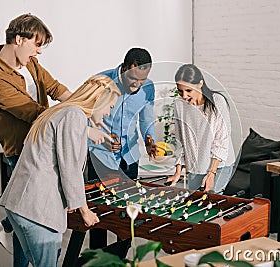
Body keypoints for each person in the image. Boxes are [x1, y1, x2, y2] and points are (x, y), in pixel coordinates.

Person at [0, 14, 106, 266]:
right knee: (36, 211)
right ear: (18, 39)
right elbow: (33, 113)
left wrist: (84, 108)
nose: (38, 52)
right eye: (36, 44)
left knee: (32, 210)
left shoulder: (29, 63)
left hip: (45, 141)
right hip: (22, 149)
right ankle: (17, 234)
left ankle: (10, 224)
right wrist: (80, 124)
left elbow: (56, 88)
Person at [0, 74, 119, 267]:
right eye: (109, 107)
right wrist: (84, 210)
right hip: (36, 210)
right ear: (98, 100)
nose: (108, 113)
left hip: (20, 206)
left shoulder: (61, 111)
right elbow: (70, 168)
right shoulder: (74, 115)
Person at [88, 47, 157, 181]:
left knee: (132, 200)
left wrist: (150, 139)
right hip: (101, 158)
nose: (137, 84)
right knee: (100, 201)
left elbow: (146, 120)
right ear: (124, 68)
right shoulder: (100, 83)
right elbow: (85, 118)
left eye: (142, 80)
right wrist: (102, 141)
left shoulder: (148, 87)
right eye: (133, 78)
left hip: (130, 158)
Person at [166, 64, 235, 193]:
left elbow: (221, 141)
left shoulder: (217, 102)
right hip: (195, 167)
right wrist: (177, 172)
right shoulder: (179, 105)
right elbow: (181, 141)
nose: (184, 96)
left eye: (188, 91)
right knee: (195, 203)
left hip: (218, 165)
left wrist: (211, 173)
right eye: (180, 91)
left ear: (200, 84)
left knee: (211, 203)